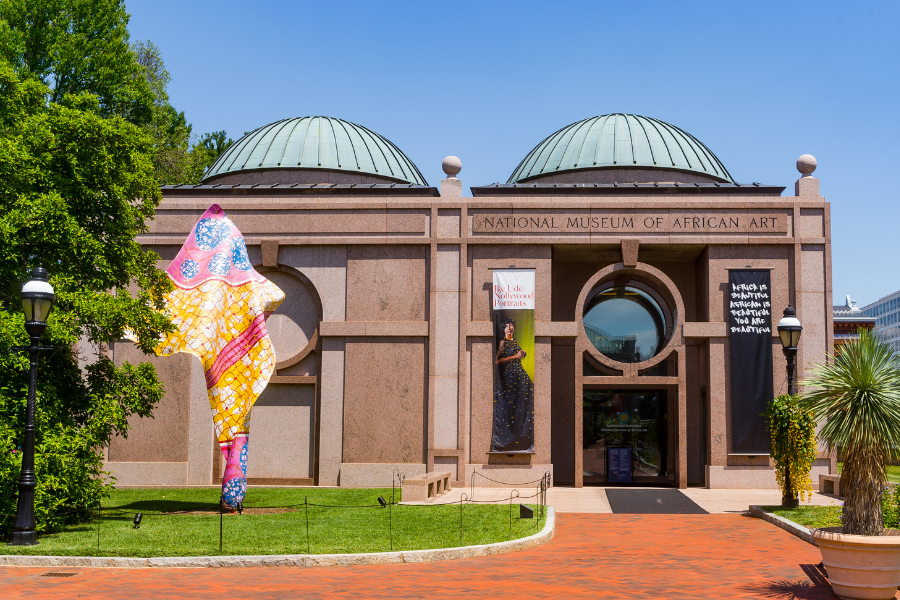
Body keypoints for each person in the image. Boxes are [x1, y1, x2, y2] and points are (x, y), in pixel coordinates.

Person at [492, 316, 534, 452]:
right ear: (503, 328)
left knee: (525, 398)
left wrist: (522, 354)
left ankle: (522, 432)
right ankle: (508, 435)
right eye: (507, 326)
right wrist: (514, 357)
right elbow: (497, 361)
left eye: (511, 326)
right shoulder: (502, 342)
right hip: (510, 376)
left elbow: (518, 355)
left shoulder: (515, 341)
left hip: (520, 374)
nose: (510, 328)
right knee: (510, 403)